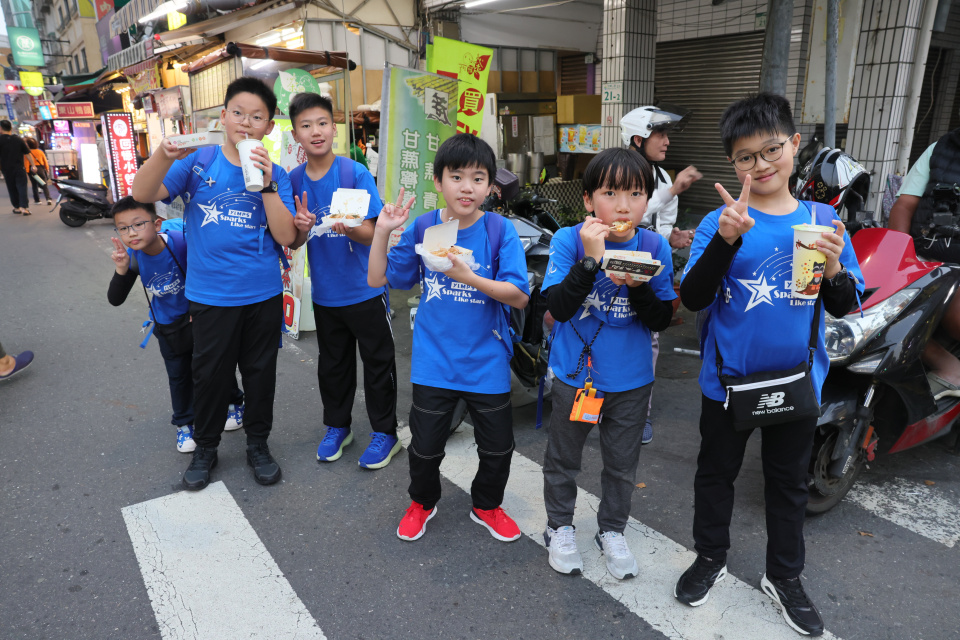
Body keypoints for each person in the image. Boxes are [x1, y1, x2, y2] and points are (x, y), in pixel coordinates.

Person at [675, 93, 863, 637]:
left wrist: (834, 269)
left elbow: (845, 305)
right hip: (727, 383)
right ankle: (710, 557)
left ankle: (784, 576)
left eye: (771, 150)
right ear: (732, 163)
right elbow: (693, 297)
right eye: (745, 157)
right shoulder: (720, 221)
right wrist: (726, 241)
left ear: (794, 145)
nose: (760, 165)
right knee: (716, 475)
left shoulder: (823, 220)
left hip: (797, 380)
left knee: (788, 484)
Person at [132, 77, 298, 491]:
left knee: (260, 375)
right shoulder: (199, 161)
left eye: (257, 117)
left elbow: (285, 236)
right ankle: (206, 448)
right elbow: (142, 191)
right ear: (223, 116)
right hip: (210, 297)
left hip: (262, 294)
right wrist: (163, 154)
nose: (246, 122)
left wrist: (267, 183)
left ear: (269, 127)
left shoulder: (278, 174)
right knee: (209, 376)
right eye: (238, 113)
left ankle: (258, 445)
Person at [367, 133, 530, 542]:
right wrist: (383, 232)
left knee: (498, 448)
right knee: (424, 448)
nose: (467, 187)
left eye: (478, 178)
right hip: (434, 359)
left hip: (486, 359)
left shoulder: (499, 229)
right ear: (438, 181)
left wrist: (468, 276)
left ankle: (487, 505)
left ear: (490, 187)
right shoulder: (425, 226)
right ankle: (422, 502)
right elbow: (378, 278)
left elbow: (519, 295)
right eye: (456, 177)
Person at [540, 148, 676, 578]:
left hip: (632, 381)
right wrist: (590, 259)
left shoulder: (654, 246)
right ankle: (558, 526)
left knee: (621, 465)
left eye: (635, 194)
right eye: (610, 193)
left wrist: (638, 286)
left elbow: (661, 319)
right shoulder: (569, 240)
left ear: (647, 200)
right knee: (563, 459)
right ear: (588, 199)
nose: (622, 206)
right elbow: (558, 308)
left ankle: (612, 530)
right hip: (575, 376)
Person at [286, 92, 400, 469]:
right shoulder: (293, 180)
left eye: (322, 123)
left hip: (366, 289)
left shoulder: (352, 173)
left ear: (334, 128)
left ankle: (386, 433)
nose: (316, 131)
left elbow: (372, 233)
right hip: (326, 293)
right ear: (296, 135)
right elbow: (294, 241)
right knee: (333, 367)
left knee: (378, 363)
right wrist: (301, 227)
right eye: (306, 126)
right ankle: (338, 427)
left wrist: (349, 227)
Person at [106, 197, 245, 453]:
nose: (131, 233)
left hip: (201, 320)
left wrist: (199, 308)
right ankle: (184, 424)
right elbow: (115, 299)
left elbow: (209, 273)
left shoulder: (182, 243)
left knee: (214, 368)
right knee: (179, 376)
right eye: (123, 228)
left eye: (138, 224)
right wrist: (121, 268)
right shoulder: (133, 257)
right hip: (167, 327)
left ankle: (234, 403)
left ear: (157, 223)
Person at [620, 105, 702, 445]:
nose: (667, 142)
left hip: (650, 266)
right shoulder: (619, 171)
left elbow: (661, 225)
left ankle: (641, 413)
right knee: (609, 328)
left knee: (649, 339)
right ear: (638, 139)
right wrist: (673, 191)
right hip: (617, 261)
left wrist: (672, 237)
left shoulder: (665, 178)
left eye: (667, 135)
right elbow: (627, 215)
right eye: (661, 135)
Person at [888, 126, 960, 392]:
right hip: (922, 258)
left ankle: (951, 369)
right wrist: (900, 256)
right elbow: (904, 205)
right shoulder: (939, 150)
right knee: (880, 305)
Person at [0, 120, 37, 215]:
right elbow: (28, 153)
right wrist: (33, 165)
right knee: (22, 187)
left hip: (6, 169)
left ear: (0, 128)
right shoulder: (18, 139)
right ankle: (24, 208)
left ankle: (17, 207)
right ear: (11, 128)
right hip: (19, 168)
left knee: (11, 188)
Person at [24, 138, 53, 206]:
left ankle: (37, 200)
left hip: (32, 170)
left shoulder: (27, 153)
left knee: (34, 185)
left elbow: (26, 163)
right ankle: (48, 199)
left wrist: (27, 171)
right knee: (44, 184)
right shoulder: (40, 151)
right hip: (40, 169)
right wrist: (47, 168)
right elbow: (45, 160)